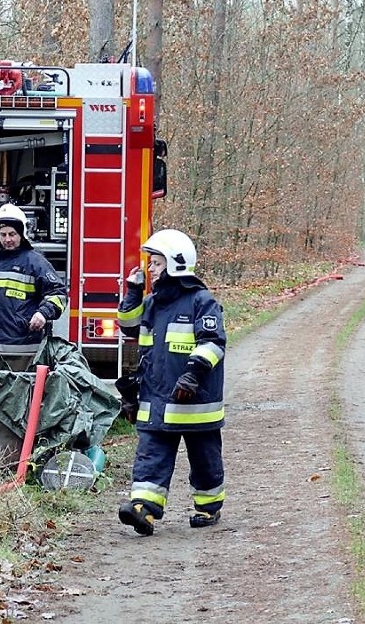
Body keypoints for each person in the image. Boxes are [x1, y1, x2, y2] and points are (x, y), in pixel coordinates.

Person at [115, 229, 226, 536]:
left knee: (204, 460)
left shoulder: (201, 302)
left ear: (175, 264)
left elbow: (214, 342)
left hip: (195, 403)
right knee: (151, 455)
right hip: (157, 399)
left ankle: (208, 507)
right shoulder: (151, 303)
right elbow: (129, 327)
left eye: (156, 263)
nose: (149, 269)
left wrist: (193, 373)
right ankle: (144, 510)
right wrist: (134, 293)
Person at [0, 204, 68, 352]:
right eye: (3, 235)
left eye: (12, 234)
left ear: (22, 234)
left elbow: (59, 294)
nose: (7, 239)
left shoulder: (35, 262)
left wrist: (43, 313)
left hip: (26, 349)